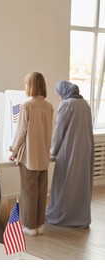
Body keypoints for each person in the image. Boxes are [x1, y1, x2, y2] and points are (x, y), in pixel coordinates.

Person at [9, 72, 53, 236]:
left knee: (28, 192)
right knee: (42, 192)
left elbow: (21, 132)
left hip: (29, 157)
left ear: (31, 85)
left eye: (26, 83)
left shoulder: (27, 106)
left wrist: (13, 150)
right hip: (43, 155)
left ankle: (29, 226)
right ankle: (39, 224)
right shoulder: (48, 106)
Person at [46, 81, 94, 228]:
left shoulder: (67, 105)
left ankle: (61, 215)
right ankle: (81, 217)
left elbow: (59, 131)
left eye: (59, 94)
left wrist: (52, 151)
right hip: (85, 149)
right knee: (80, 183)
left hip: (69, 150)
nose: (59, 97)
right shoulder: (84, 104)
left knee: (64, 183)